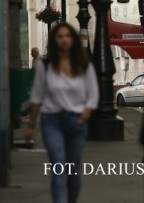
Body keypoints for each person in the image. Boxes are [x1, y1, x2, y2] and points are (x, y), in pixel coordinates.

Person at [24, 23, 99, 203]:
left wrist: (83, 117)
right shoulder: (46, 66)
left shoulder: (83, 65)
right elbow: (37, 96)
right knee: (58, 165)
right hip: (52, 121)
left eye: (67, 36)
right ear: (54, 41)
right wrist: (31, 126)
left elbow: (93, 96)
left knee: (73, 171)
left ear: (73, 40)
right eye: (60, 37)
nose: (64, 40)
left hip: (76, 121)